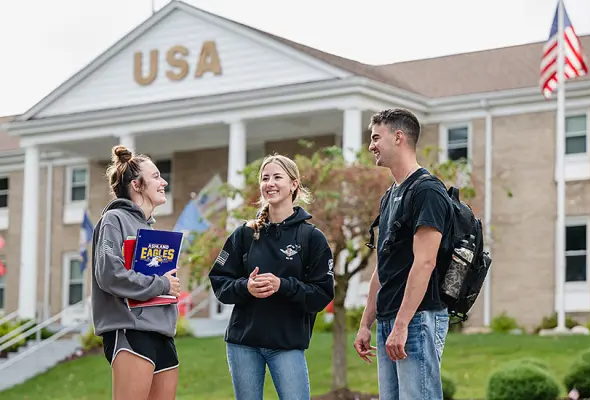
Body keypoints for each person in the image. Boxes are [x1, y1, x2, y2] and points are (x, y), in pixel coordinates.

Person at [209, 154, 335, 400]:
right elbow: (219, 282)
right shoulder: (244, 234)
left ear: (294, 184)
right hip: (243, 344)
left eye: (278, 177)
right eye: (265, 178)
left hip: (287, 344)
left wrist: (283, 286)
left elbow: (321, 294)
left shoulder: (311, 237)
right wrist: (246, 287)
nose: (270, 183)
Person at [353, 108, 453, 400]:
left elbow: (425, 262)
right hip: (391, 320)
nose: (371, 145)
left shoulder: (427, 192)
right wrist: (365, 324)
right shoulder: (391, 195)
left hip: (416, 320)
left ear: (398, 137)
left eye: (375, 137)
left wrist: (402, 324)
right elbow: (382, 267)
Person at [91, 145, 181, 400]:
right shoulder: (114, 219)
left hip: (162, 333)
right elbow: (109, 274)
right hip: (130, 330)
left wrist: (170, 285)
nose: (163, 182)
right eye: (155, 177)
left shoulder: (152, 232)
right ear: (137, 185)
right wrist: (162, 285)